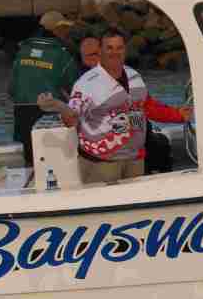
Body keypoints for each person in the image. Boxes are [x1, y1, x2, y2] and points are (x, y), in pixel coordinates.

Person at [66, 28, 191, 183]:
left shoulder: (134, 76)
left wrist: (178, 115)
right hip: (101, 163)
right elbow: (71, 116)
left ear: (125, 50)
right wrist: (59, 108)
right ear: (101, 51)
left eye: (119, 48)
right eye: (109, 48)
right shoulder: (85, 83)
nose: (115, 53)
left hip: (134, 159)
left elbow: (147, 107)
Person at [9, 11, 79, 166]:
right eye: (64, 28)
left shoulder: (22, 51)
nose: (66, 32)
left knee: (30, 160)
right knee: (54, 162)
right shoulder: (63, 55)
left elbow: (12, 89)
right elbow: (76, 89)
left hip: (22, 112)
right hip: (50, 113)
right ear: (55, 30)